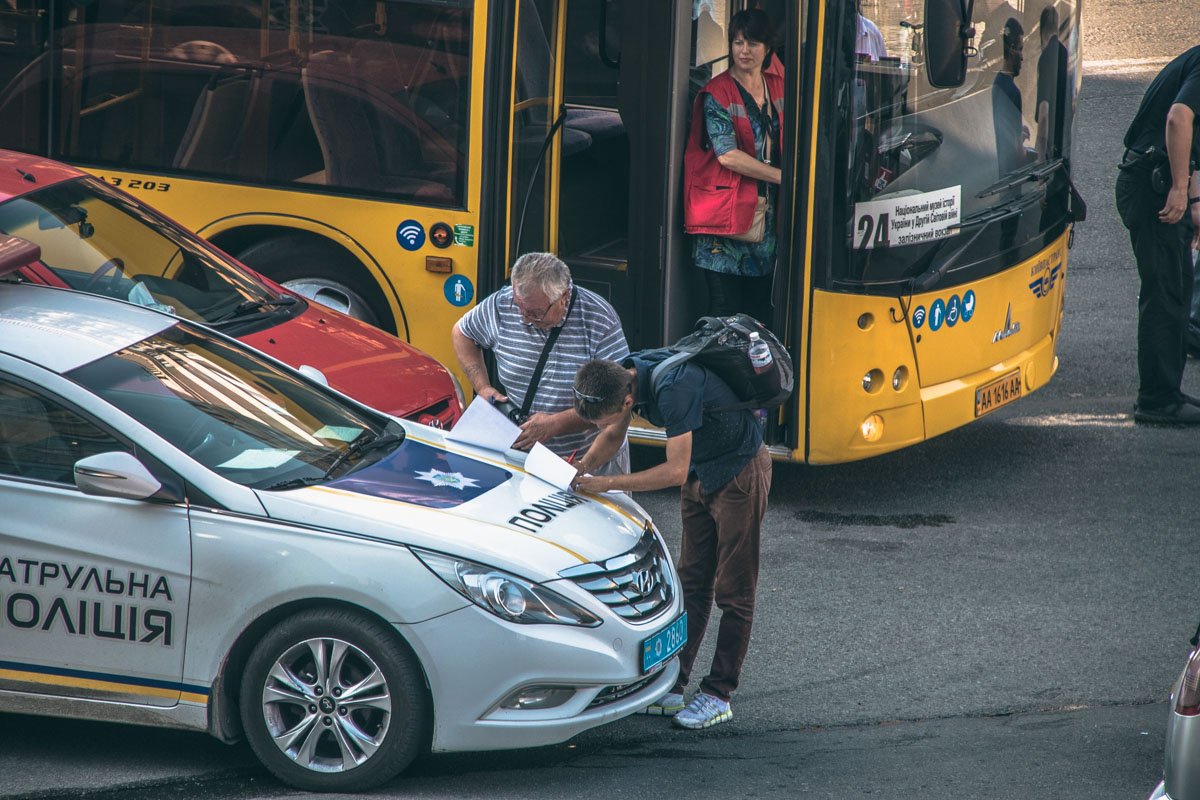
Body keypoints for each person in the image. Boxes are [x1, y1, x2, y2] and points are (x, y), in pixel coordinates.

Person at [570, 351, 771, 730]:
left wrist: (605, 483)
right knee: (691, 583)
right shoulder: (624, 374)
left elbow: (675, 471)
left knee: (734, 591)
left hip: (738, 473)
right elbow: (613, 433)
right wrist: (580, 469)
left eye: (604, 417)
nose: (605, 425)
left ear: (627, 401)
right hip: (702, 471)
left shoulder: (673, 389)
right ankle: (674, 685)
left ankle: (717, 694)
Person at [451, 252, 632, 471]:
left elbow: (618, 400)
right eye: (519, 307)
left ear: (564, 297)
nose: (524, 319)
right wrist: (483, 387)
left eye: (536, 313)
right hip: (521, 457)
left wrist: (556, 424)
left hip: (588, 458)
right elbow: (462, 333)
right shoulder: (502, 303)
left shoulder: (599, 319)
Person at [1115, 46, 1200, 424]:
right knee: (1165, 292)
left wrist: (1194, 199)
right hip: (1153, 186)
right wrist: (1181, 190)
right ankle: (1157, 400)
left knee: (1177, 290)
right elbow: (1179, 120)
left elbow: (1193, 136)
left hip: (1156, 180)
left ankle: (1168, 391)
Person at [683, 9, 784, 325]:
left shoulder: (778, 86)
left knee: (757, 311)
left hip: (763, 218)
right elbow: (726, 155)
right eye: (738, 42)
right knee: (723, 312)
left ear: (767, 48)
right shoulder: (718, 91)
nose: (744, 50)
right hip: (724, 217)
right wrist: (785, 177)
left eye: (752, 43)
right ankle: (717, 373)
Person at [992, 18, 1028, 180]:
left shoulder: (997, 83)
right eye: (1020, 49)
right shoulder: (1013, 92)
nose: (1022, 57)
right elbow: (1018, 154)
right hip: (1011, 182)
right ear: (1011, 50)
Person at [1034, 5, 1068, 163]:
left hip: (1051, 148)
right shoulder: (1063, 51)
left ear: (1041, 31)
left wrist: (1040, 159)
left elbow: (1044, 113)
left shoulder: (1047, 57)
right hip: (1063, 144)